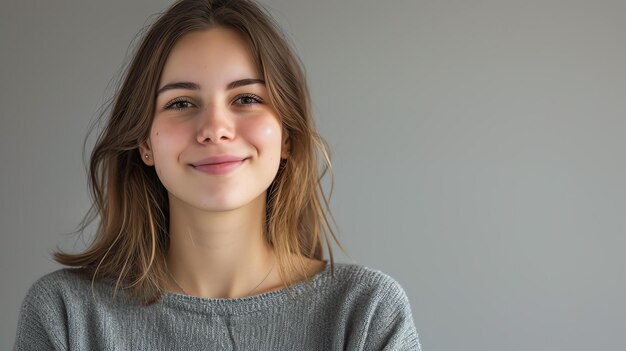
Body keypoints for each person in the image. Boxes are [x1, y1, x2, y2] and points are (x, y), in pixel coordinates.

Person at [14, 0, 421, 349]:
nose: (215, 127)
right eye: (181, 103)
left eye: (246, 98)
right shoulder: (64, 316)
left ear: (287, 138)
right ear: (145, 142)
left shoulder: (367, 314)